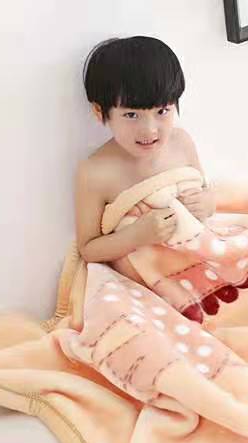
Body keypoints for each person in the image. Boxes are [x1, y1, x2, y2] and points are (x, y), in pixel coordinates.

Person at [75, 36, 215, 281]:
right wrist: (136, 236)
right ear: (100, 111)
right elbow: (88, 249)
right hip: (151, 276)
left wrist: (207, 203)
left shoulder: (181, 142)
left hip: (203, 255)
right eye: (131, 115)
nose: (150, 130)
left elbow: (205, 191)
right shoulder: (95, 172)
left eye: (162, 111)